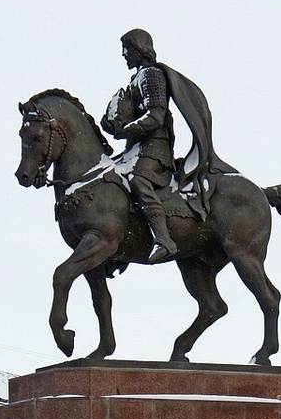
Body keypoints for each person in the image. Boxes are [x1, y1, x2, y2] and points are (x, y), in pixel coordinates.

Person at [101, 29, 236, 262]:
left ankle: (163, 238)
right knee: (109, 179)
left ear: (139, 49)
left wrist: (125, 130)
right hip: (135, 149)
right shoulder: (136, 79)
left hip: (154, 149)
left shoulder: (150, 75)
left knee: (138, 180)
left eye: (128, 49)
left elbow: (156, 116)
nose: (124, 54)